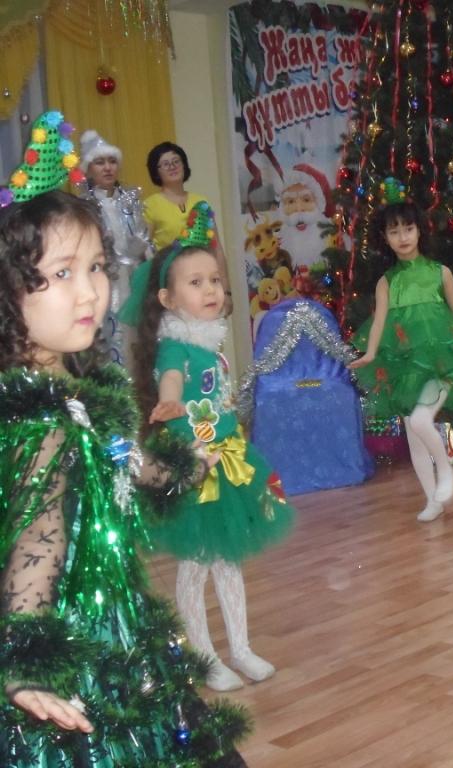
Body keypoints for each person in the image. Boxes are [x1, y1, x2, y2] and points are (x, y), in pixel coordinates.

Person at [0, 111, 248, 766]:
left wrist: (182, 466)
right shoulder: (38, 421)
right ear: (10, 289)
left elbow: (130, 465)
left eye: (96, 266)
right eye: (60, 274)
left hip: (123, 629)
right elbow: (37, 543)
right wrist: (27, 661)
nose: (90, 292)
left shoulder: (85, 393)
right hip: (80, 656)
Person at [120, 201, 294, 691]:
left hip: (226, 459)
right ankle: (203, 657)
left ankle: (241, 648)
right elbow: (172, 380)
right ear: (168, 299)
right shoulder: (175, 347)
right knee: (195, 564)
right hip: (192, 466)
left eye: (214, 279)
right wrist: (169, 401)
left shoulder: (211, 343)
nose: (211, 289)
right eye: (195, 282)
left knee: (229, 560)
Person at [349, 179, 453, 522]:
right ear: (384, 238)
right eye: (394, 232)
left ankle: (447, 470)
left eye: (408, 229)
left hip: (441, 363)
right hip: (405, 368)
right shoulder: (387, 282)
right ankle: (433, 500)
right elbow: (378, 322)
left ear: (420, 230)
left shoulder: (440, 273)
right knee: (414, 433)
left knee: (422, 420)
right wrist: (371, 352)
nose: (403, 237)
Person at [76, 129, 152, 367]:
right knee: (110, 336)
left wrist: (142, 251)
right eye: (100, 162)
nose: (107, 168)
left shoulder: (131, 201)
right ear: (89, 169)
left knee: (138, 337)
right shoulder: (82, 207)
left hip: (134, 280)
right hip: (104, 282)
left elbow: (145, 240)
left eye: (112, 161)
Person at [143, 142, 234, 315]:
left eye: (176, 161)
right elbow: (145, 254)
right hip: (173, 287)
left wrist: (226, 291)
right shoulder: (150, 205)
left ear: (184, 164)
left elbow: (217, 250)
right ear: (156, 171)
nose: (172, 167)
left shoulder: (200, 202)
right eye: (165, 164)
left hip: (205, 285)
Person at [274, 163, 334, 270]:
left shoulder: (331, 236)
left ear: (318, 201)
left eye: (306, 200)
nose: (299, 208)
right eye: (291, 201)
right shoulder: (277, 244)